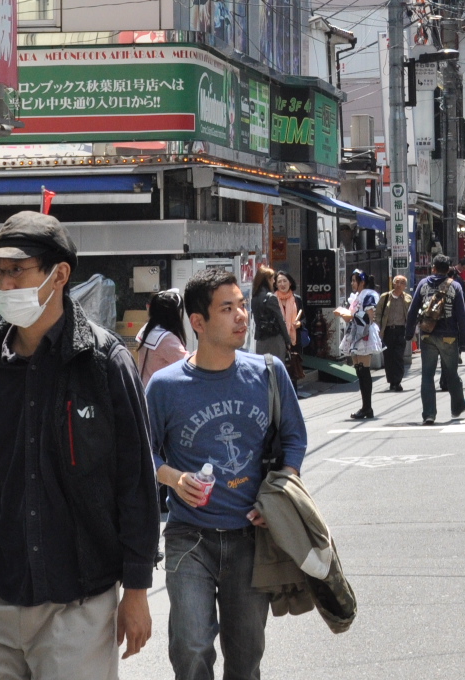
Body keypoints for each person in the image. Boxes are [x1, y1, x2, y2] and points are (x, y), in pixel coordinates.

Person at [0, 211, 157, 677]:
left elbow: (136, 482)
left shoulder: (104, 363)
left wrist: (137, 590)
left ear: (58, 275)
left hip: (78, 599)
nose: (4, 284)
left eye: (17, 270)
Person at [146, 268, 309, 680]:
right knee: (191, 646)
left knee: (246, 655)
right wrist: (173, 478)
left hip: (251, 537)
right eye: (226, 308)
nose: (241, 316)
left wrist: (279, 494)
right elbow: (140, 453)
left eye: (241, 305)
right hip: (189, 535)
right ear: (198, 322)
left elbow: (294, 438)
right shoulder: (165, 386)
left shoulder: (268, 372)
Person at [406, 256, 465, 425]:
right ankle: (457, 407)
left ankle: (429, 414)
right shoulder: (455, 286)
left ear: (433, 268)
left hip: (427, 335)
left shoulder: (423, 284)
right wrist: (464, 342)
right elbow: (462, 316)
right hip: (449, 336)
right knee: (451, 374)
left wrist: (409, 333)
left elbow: (412, 311)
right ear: (448, 269)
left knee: (427, 375)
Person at [338, 269, 382, 421]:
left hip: (364, 334)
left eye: (354, 281)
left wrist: (353, 315)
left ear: (362, 282)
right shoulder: (357, 296)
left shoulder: (368, 295)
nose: (352, 283)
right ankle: (365, 407)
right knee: (359, 370)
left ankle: (367, 407)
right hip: (355, 333)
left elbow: (370, 317)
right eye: (351, 281)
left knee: (364, 371)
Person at [137, 290, 190, 386]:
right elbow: (189, 365)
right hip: (161, 392)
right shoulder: (166, 339)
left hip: (144, 389)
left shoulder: (147, 329)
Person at [377, 274, 412, 391]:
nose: (399, 285)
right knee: (388, 357)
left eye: (402, 283)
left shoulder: (408, 299)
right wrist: (378, 328)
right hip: (387, 330)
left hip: (401, 330)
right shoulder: (385, 297)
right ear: (393, 283)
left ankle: (397, 381)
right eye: (397, 282)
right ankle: (391, 381)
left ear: (405, 286)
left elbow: (412, 315)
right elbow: (378, 314)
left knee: (398, 356)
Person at [249, 266, 290, 361]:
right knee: (276, 367)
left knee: (263, 367)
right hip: (274, 339)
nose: (274, 281)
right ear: (267, 280)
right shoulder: (271, 297)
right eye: (272, 279)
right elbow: (280, 320)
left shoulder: (254, 298)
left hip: (260, 340)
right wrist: (287, 341)